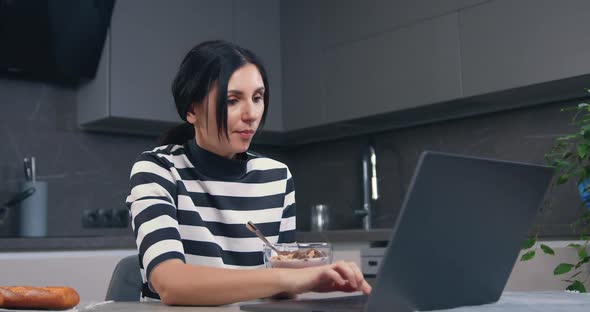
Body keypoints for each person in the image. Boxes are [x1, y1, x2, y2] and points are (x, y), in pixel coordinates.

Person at [126, 40, 371, 306]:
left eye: (257, 98)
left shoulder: (277, 177)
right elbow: (171, 283)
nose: (252, 114)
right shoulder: (159, 169)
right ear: (191, 109)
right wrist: (289, 280)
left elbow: (280, 284)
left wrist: (313, 279)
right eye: (232, 101)